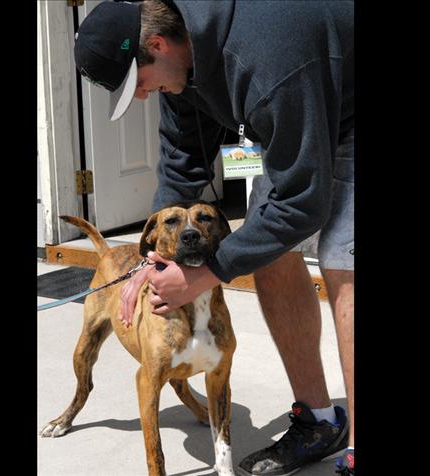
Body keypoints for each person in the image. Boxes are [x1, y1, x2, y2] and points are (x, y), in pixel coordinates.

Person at [74, 1, 354, 475]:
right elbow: (183, 156)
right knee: (270, 249)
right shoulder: (183, 57)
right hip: (297, 108)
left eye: (138, 83)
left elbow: (303, 202)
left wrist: (208, 272)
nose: (142, 97)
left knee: (344, 263)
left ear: (157, 46)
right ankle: (320, 421)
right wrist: (153, 260)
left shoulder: (265, 57)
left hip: (337, 103)